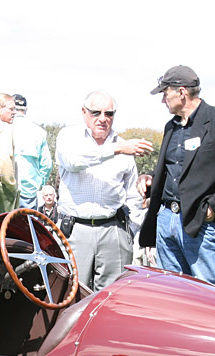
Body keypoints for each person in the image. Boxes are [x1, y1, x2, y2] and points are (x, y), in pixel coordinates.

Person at [138, 65, 215, 288]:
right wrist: (150, 179)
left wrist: (214, 207)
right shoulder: (170, 127)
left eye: (165, 93)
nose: (163, 100)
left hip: (200, 222)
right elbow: (176, 169)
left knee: (209, 295)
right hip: (166, 222)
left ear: (181, 92)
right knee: (172, 293)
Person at [56, 90, 151, 291]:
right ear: (83, 112)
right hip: (74, 230)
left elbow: (133, 193)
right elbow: (73, 162)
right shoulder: (69, 137)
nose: (102, 119)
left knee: (111, 299)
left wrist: (130, 230)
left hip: (113, 230)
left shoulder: (125, 147)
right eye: (96, 112)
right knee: (70, 296)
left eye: (109, 114)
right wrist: (115, 149)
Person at [11, 94, 52, 210]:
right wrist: (38, 184)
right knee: (27, 226)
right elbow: (47, 165)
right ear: (26, 109)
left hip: (6, 190)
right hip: (29, 190)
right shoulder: (39, 132)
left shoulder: (4, 128)